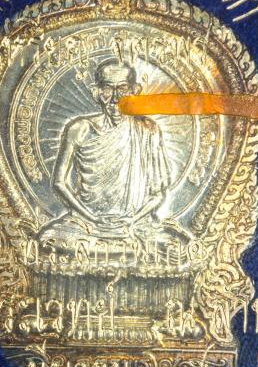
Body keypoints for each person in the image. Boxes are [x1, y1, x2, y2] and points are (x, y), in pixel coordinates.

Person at [39, 58, 189, 265]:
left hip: (136, 224)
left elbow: (157, 195)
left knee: (177, 247)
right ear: (96, 92)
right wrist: (91, 218)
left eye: (123, 89)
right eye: (108, 89)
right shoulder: (79, 129)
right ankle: (121, 252)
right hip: (86, 224)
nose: (115, 99)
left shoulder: (148, 129)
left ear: (135, 91)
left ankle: (110, 251)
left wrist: (131, 220)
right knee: (49, 242)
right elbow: (58, 183)